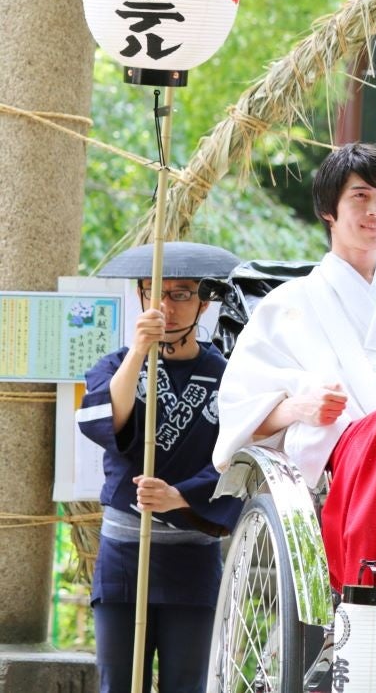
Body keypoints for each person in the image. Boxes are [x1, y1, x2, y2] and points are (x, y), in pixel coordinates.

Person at [214, 142, 376, 480]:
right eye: (361, 197)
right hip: (337, 465)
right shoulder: (284, 305)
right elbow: (240, 411)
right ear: (328, 210)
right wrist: (299, 407)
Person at [80, 242, 245, 693]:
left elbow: (239, 454)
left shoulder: (230, 375)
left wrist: (182, 496)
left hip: (192, 558)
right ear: (139, 297)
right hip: (124, 557)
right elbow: (106, 423)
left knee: (185, 684)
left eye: (180, 295)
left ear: (203, 303)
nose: (166, 307)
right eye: (155, 293)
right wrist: (138, 352)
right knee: (118, 682)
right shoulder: (116, 366)